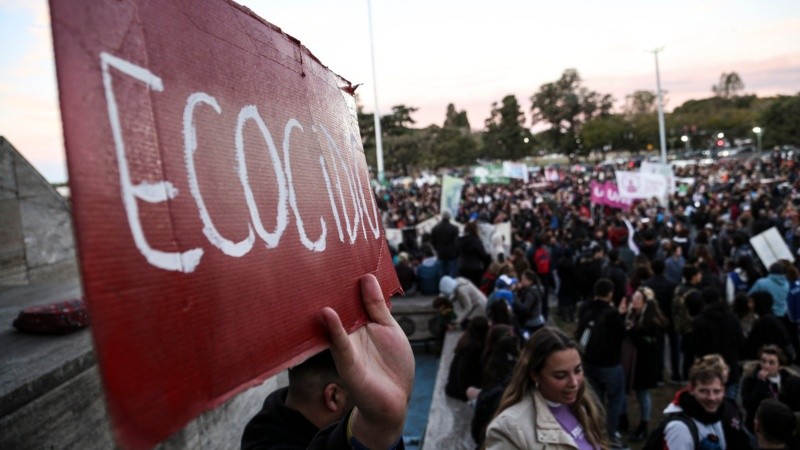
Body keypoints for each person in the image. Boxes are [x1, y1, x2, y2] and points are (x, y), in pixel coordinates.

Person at [242, 274, 414, 450]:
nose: (363, 406)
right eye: (359, 401)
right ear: (333, 396)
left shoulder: (267, 422)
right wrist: (378, 429)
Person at [484, 327, 607, 449]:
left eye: (578, 370)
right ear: (535, 375)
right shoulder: (510, 428)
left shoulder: (583, 403)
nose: (574, 383)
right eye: (560, 375)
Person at [575, 278, 627, 447]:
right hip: (610, 364)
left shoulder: (586, 308)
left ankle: (595, 431)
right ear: (610, 294)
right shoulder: (612, 314)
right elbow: (622, 334)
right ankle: (610, 435)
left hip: (588, 361)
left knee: (595, 401)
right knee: (615, 400)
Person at [661, 359, 750, 450]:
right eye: (703, 391)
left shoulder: (716, 414)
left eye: (716, 391)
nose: (711, 398)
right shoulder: (679, 429)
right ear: (691, 389)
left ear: (723, 390)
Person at [622, 286, 668, 442]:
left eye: (638, 299)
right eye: (633, 297)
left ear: (646, 303)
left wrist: (632, 331)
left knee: (642, 394)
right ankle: (623, 418)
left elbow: (647, 345)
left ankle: (644, 424)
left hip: (644, 365)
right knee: (623, 390)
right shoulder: (632, 315)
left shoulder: (652, 322)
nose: (634, 301)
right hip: (629, 363)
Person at [740, 345, 800, 434]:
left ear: (780, 366)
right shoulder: (751, 379)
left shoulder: (790, 381)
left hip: (782, 427)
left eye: (771, 363)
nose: (766, 366)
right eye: (763, 361)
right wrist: (760, 384)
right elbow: (749, 405)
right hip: (758, 429)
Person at [445, 316, 489, 401]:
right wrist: (465, 396)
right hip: (459, 391)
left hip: (454, 388)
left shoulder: (466, 340)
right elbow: (462, 373)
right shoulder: (474, 347)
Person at [458, 221, 491, 288]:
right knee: (475, 288)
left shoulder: (460, 240)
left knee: (464, 287)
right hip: (474, 268)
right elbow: (482, 254)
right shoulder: (475, 240)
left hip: (462, 266)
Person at [431, 211, 459, 278]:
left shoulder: (435, 228)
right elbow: (457, 243)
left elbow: (433, 242)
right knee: (452, 276)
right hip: (452, 255)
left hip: (440, 254)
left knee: (441, 275)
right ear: (449, 217)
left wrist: (437, 249)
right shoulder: (454, 228)